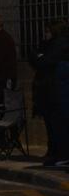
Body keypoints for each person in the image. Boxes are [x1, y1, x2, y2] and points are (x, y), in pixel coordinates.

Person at [32, 20, 69, 167]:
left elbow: (44, 61)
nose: (45, 34)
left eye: (47, 31)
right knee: (54, 125)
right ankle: (56, 153)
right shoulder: (50, 45)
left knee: (59, 126)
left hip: (56, 94)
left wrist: (40, 57)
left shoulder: (59, 45)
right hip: (52, 93)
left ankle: (61, 154)